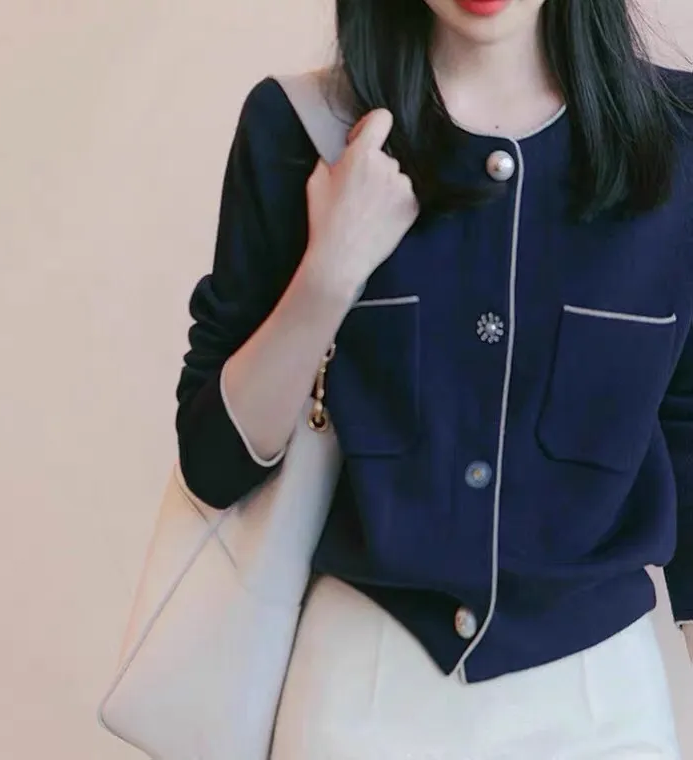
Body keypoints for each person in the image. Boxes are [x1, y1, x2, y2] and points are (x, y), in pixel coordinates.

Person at [176, 0, 693, 756]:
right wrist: (330, 271)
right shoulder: (303, 130)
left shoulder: (678, 137)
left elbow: (687, 424)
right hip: (360, 693)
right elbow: (213, 463)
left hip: (600, 704)